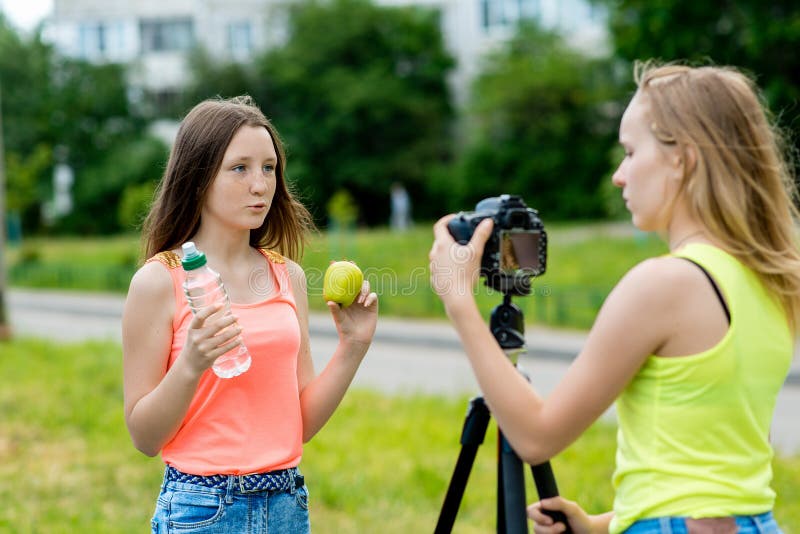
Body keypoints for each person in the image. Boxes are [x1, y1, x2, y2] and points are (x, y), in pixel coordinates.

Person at [429, 61, 800, 533]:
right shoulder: (771, 279)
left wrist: (458, 301)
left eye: (629, 152)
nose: (618, 176)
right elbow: (721, 469)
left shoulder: (664, 285)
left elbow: (536, 437)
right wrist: (602, 525)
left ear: (681, 158)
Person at [122, 95, 378, 533]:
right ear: (198, 177)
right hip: (200, 510)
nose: (260, 184)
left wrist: (353, 347)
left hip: (286, 505)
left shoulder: (287, 277)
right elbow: (145, 438)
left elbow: (298, 425)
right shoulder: (157, 282)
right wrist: (192, 364)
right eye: (239, 168)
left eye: (269, 167)